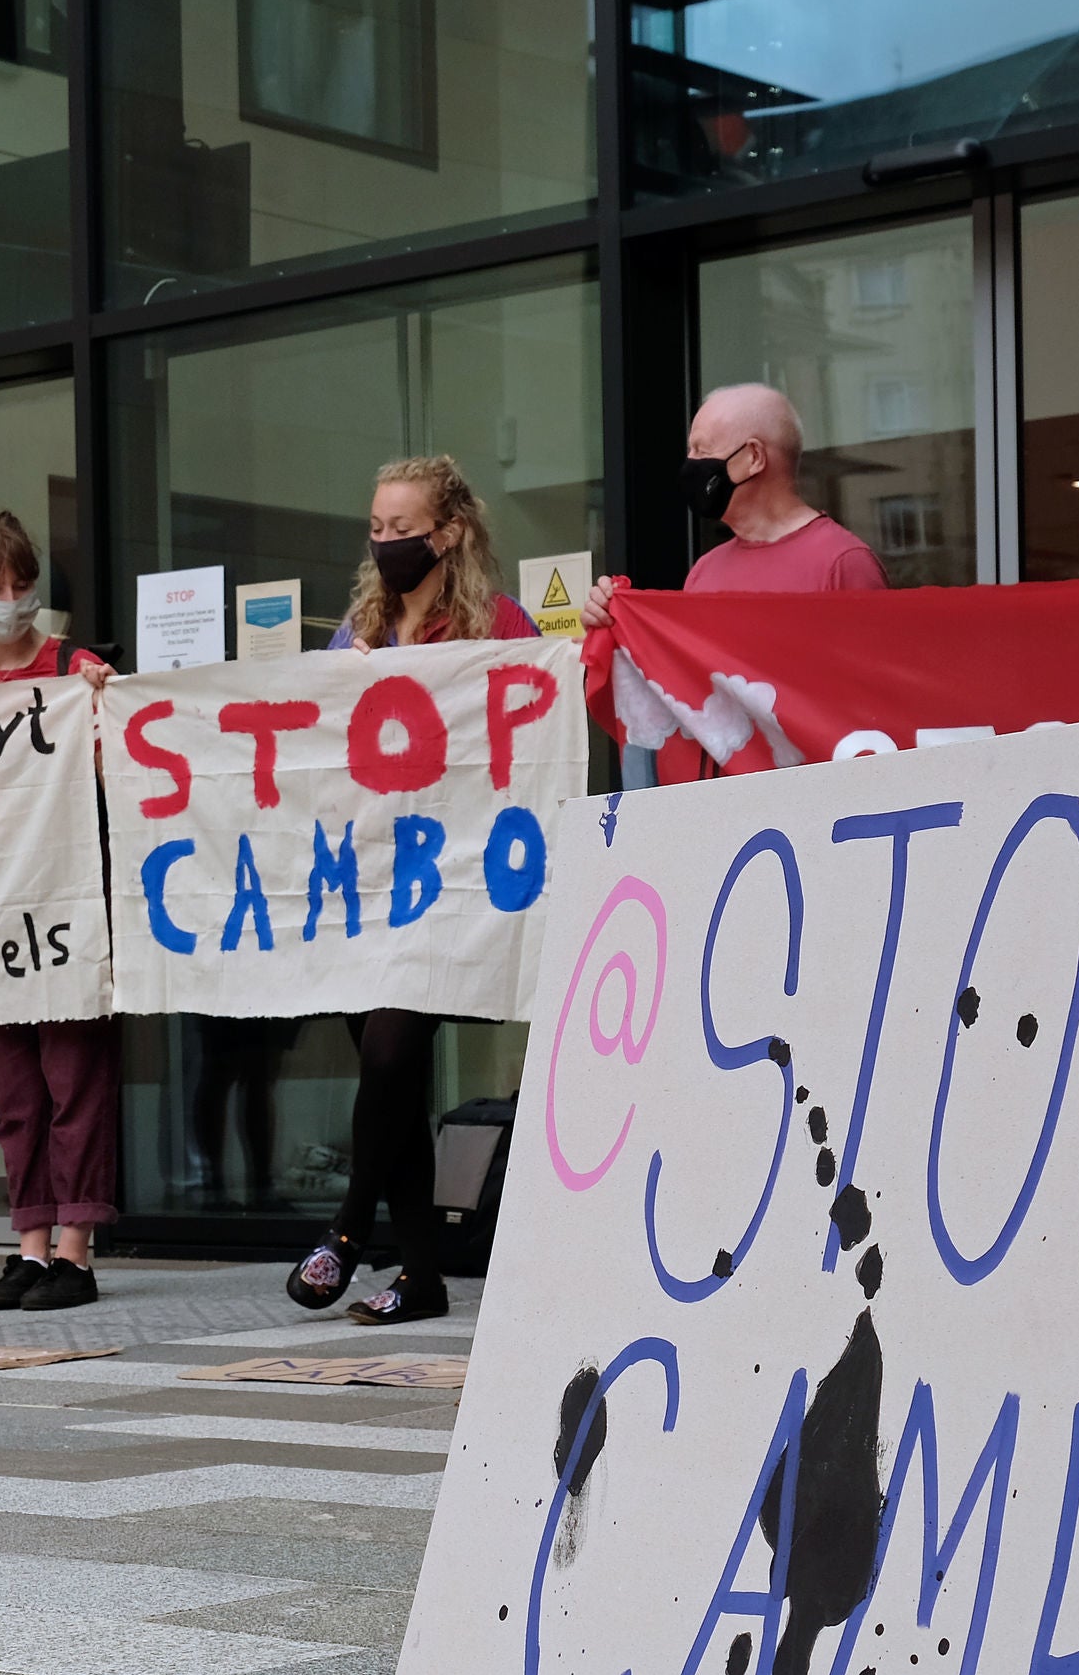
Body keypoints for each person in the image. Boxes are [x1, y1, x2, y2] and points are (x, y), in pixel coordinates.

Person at [287, 455, 539, 1329]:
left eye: (403, 528)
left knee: (392, 1056)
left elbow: (528, 730)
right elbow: (314, 746)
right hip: (364, 880)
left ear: (450, 532)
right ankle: (422, 1277)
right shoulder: (360, 623)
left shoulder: (495, 623)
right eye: (377, 528)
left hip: (449, 884)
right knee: (388, 1078)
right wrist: (337, 684)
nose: (386, 542)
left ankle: (350, 1229)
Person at [0, 510, 122, 1313]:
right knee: (15, 1088)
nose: (7, 600)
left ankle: (76, 1254)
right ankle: (29, 1244)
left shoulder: (74, 666)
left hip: (65, 901)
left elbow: (120, 766)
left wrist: (101, 708)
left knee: (73, 1074)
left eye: (19, 585)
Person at [577, 382, 888, 784]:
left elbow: (876, 711)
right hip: (730, 816)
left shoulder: (842, 565)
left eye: (702, 451)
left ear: (753, 457)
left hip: (813, 807)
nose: (689, 464)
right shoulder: (705, 572)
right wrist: (613, 627)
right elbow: (682, 702)